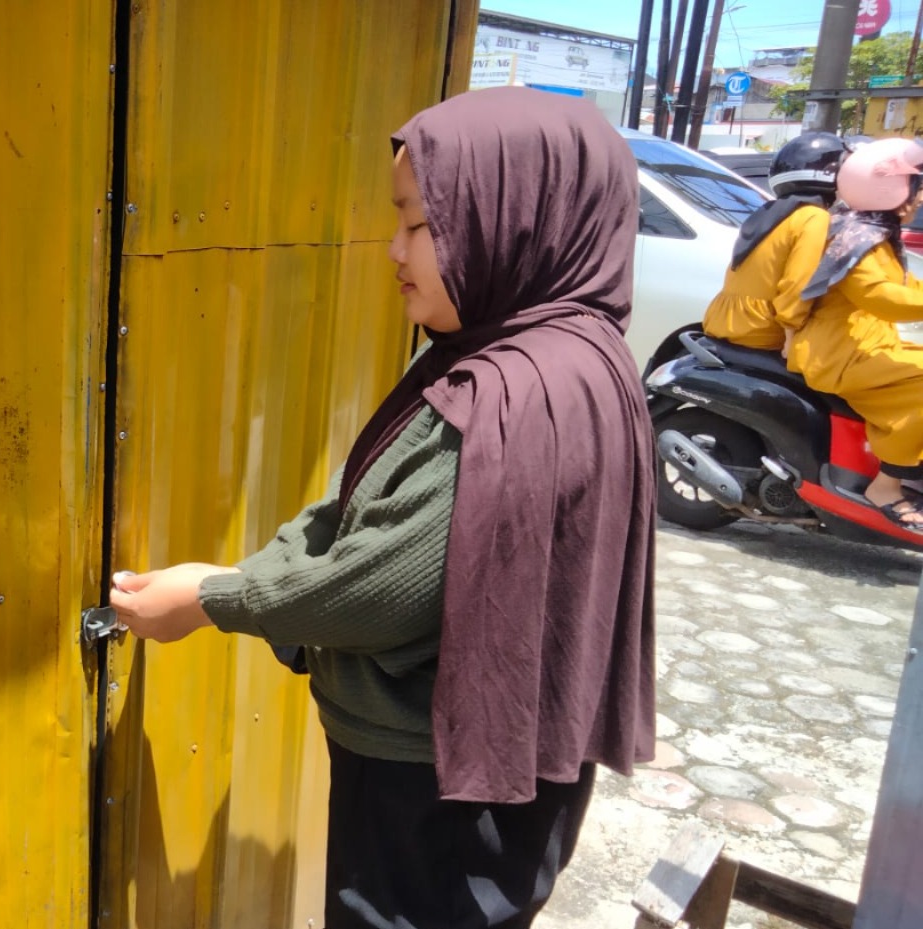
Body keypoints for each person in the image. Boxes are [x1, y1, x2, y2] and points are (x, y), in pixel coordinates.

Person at [109, 87, 657, 929]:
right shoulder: (573, 352)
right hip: (518, 750)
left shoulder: (512, 396)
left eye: (420, 222)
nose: (393, 250)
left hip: (437, 776)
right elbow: (362, 502)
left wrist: (214, 597)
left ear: (510, 214)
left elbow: (383, 582)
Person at [791, 136, 923, 530]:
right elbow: (877, 296)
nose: (918, 201)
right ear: (893, 191)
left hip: (867, 340)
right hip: (839, 352)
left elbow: (904, 288)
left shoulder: (873, 232)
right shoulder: (858, 238)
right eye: (916, 191)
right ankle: (886, 485)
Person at [701, 132, 847, 353]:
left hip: (726, 320)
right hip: (763, 331)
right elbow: (798, 284)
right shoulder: (813, 217)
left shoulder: (772, 212)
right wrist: (791, 338)